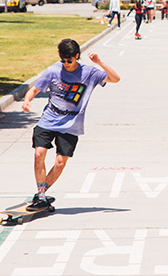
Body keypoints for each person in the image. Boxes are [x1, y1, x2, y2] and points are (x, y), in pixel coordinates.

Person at [21, 39, 120, 210]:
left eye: (70, 61)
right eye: (63, 61)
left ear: (77, 56)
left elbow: (115, 79)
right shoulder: (53, 71)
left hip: (71, 125)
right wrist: (27, 101)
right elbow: (35, 89)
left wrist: (99, 63)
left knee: (60, 162)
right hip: (48, 120)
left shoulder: (89, 73)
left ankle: (41, 194)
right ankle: (42, 194)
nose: (66, 64)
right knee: (39, 154)